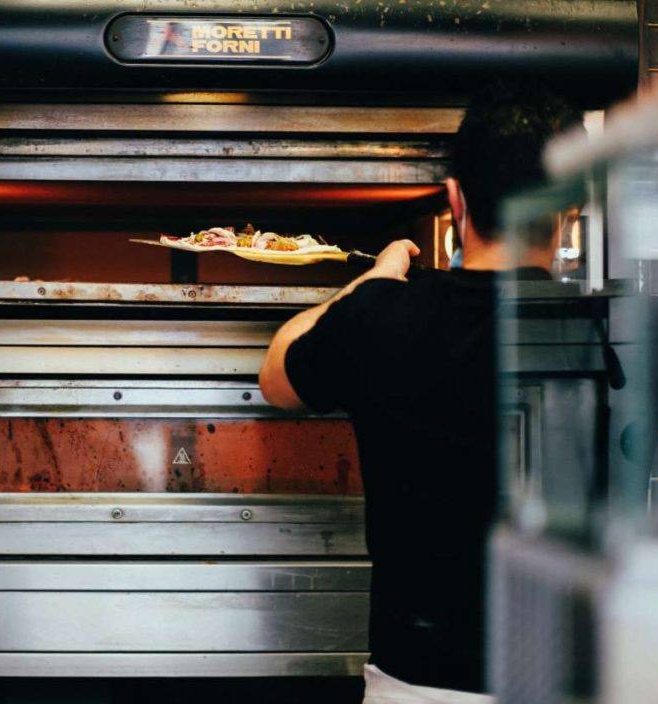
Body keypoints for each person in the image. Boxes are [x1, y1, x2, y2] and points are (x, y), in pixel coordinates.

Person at [258, 83, 585, 701]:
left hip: (420, 685)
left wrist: (370, 284)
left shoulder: (381, 318)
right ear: (571, 204)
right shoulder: (617, 326)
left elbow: (277, 376)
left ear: (455, 199)